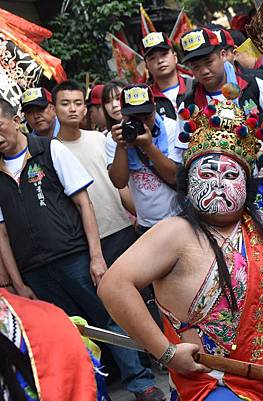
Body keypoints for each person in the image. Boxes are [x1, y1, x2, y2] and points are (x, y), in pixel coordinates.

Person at [98, 41, 263, 401]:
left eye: (229, 174)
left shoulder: (261, 213)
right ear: (188, 185)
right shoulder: (176, 232)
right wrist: (166, 352)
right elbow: (114, 286)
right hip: (213, 387)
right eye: (207, 172)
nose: (218, 183)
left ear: (249, 186)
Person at [0, 98, 165, 401]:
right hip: (34, 271)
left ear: (14, 120)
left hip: (73, 256)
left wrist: (96, 256)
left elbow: (83, 203)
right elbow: (2, 234)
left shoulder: (49, 150)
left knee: (109, 317)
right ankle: (88, 392)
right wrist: (18, 283)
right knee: (64, 333)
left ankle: (142, 384)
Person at [54, 80, 136, 266]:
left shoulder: (101, 139)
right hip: (87, 241)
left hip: (122, 227)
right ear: (54, 109)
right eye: (65, 104)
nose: (72, 109)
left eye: (78, 103)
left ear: (85, 108)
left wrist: (139, 215)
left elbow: (118, 184)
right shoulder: (52, 152)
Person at [107, 84, 181, 234]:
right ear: (123, 113)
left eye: (146, 117)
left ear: (154, 108)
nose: (142, 123)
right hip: (146, 225)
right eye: (134, 118)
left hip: (178, 217)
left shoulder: (171, 127)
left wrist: (148, 147)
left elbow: (174, 177)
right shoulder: (114, 137)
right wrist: (121, 145)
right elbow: (119, 182)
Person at [142, 32, 191, 123]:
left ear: (175, 57)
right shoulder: (146, 100)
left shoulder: (195, 86)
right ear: (147, 66)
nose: (160, 61)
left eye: (164, 54)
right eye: (152, 58)